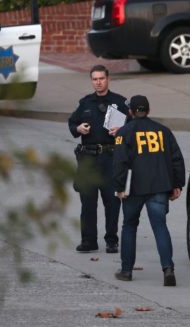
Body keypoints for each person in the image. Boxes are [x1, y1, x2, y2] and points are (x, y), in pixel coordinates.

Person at [112, 95, 185, 286]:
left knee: (129, 226)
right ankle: (168, 269)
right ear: (148, 110)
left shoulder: (124, 133)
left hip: (134, 188)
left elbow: (120, 162)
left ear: (131, 111)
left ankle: (126, 271)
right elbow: (176, 158)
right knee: (160, 226)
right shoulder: (163, 131)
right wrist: (177, 184)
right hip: (160, 186)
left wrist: (119, 187)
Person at [68, 65, 130, 253]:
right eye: (94, 79)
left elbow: (134, 126)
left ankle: (111, 240)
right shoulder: (85, 102)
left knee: (112, 202)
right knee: (87, 201)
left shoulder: (119, 102)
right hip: (88, 158)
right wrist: (78, 129)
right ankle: (88, 240)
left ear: (108, 79)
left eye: (101, 78)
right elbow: (72, 121)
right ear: (91, 80)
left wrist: (122, 130)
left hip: (111, 158)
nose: (98, 82)